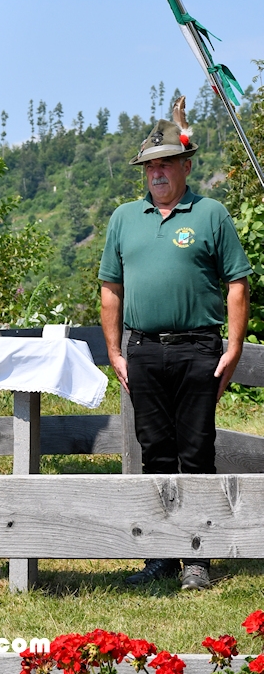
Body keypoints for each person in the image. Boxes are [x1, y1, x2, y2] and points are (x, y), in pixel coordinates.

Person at [99, 98, 251, 591]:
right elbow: (110, 289)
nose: (157, 172)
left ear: (185, 166)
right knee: (155, 452)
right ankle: (161, 555)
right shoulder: (124, 218)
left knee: (197, 449)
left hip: (198, 349)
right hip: (142, 350)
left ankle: (198, 558)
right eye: (150, 165)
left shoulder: (210, 214)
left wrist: (233, 347)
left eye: (166, 163)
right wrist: (115, 352)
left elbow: (237, 285)